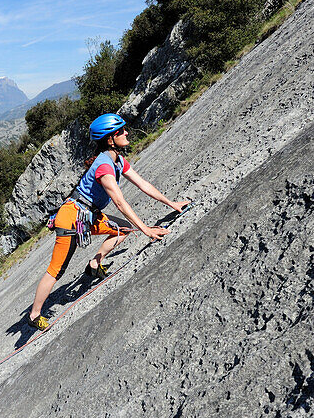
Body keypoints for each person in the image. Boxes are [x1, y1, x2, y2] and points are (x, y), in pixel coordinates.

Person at [27, 113, 191, 330]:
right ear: (109, 139)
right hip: (71, 218)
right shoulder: (104, 166)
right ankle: (34, 314)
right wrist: (147, 231)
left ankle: (94, 264)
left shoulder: (118, 160)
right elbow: (121, 204)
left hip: (88, 214)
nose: (126, 132)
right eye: (120, 131)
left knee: (123, 229)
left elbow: (143, 184)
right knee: (57, 269)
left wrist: (171, 204)